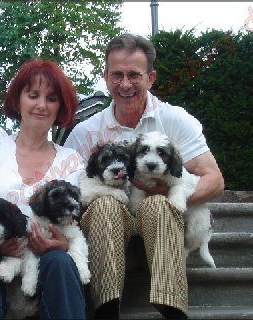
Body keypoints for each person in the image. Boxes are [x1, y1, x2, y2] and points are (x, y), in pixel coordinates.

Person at [64, 33, 225, 319]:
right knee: (104, 205)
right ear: (105, 77)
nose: (124, 84)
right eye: (117, 75)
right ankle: (105, 308)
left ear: (151, 78)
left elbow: (214, 180)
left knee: (159, 205)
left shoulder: (175, 120)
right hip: (109, 243)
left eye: (134, 75)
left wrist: (171, 194)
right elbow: (66, 190)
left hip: (165, 241)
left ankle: (172, 307)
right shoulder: (84, 133)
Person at [0, 59, 87, 319]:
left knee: (59, 260)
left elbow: (72, 220)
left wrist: (61, 243)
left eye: (52, 98)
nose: (41, 105)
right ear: (18, 100)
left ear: (61, 107)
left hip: (42, 278)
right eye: (33, 95)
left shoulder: (72, 160)